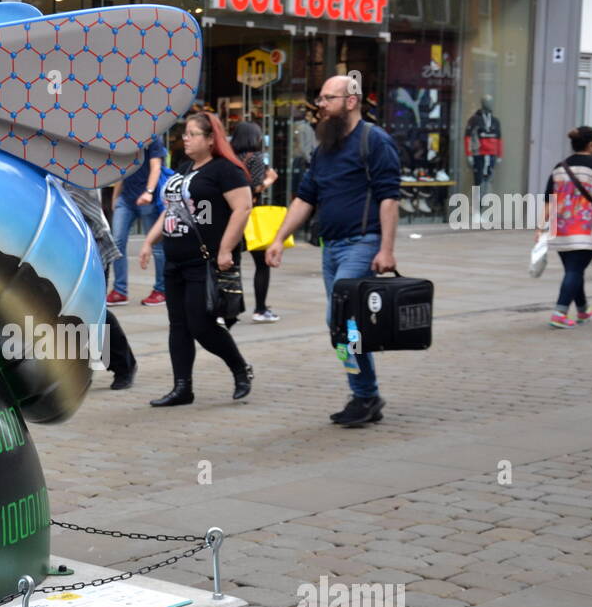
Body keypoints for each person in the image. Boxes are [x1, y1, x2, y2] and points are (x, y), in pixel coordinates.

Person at [262, 74, 401, 427]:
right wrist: (278, 239)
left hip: (362, 244)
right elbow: (304, 198)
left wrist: (386, 249)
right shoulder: (325, 148)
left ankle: (365, 393)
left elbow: (388, 198)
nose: (320, 105)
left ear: (350, 101)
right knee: (345, 326)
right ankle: (365, 393)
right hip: (331, 247)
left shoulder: (375, 141)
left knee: (337, 319)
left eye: (328, 98)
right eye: (320, 98)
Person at [139, 112, 253, 406]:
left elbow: (243, 208)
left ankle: (240, 368)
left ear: (210, 138)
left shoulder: (226, 170)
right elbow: (174, 209)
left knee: (200, 324)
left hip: (203, 260)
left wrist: (226, 250)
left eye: (192, 134)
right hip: (175, 259)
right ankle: (182, 387)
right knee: (178, 325)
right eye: (185, 134)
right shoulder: (185, 167)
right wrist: (150, 241)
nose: (185, 139)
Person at [539, 126, 592, 328]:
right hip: (584, 227)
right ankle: (560, 312)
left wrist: (540, 227)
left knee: (573, 270)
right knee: (574, 271)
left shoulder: (560, 166)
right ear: (591, 144)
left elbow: (549, 199)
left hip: (560, 226)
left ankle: (583, 310)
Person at [62, 180, 137, 388]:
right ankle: (82, 372)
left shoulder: (75, 171)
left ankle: (125, 365)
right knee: (70, 313)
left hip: (90, 247)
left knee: (94, 312)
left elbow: (82, 209)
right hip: (64, 250)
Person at [229, 121, 280, 322]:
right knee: (262, 264)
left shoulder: (230, 158)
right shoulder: (256, 158)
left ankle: (228, 308)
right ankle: (260, 309)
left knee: (231, 263)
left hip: (232, 215)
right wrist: (269, 181)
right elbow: (254, 187)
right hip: (251, 217)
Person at [108, 136, 166, 306]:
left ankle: (161, 290)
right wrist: (115, 196)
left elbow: (156, 167)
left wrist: (149, 191)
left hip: (147, 198)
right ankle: (119, 290)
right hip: (126, 199)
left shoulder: (153, 137)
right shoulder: (126, 136)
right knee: (117, 241)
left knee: (156, 246)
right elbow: (122, 169)